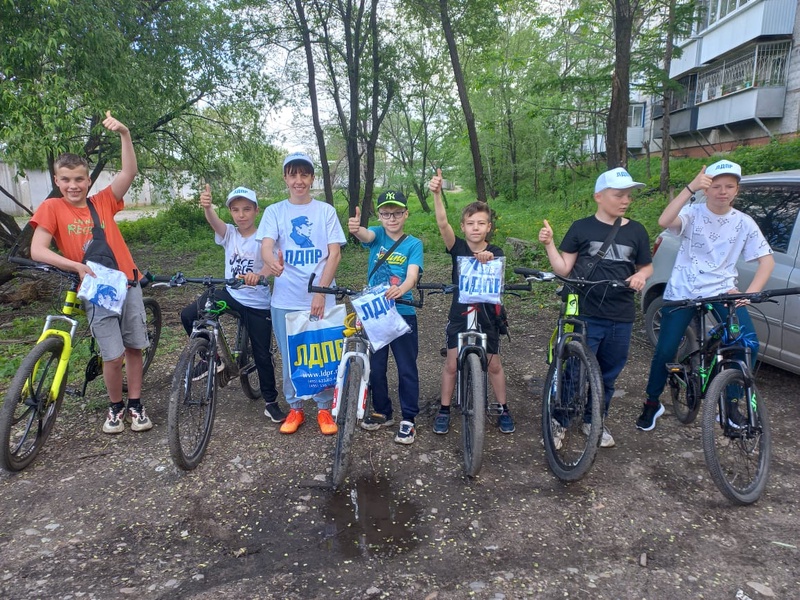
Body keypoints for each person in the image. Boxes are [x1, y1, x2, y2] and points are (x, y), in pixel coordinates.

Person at [30, 111, 153, 434]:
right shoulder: (52, 208)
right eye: (66, 180)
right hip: (96, 288)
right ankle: (115, 408)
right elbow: (38, 249)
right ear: (57, 181)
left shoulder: (103, 202)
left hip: (127, 281)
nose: (74, 185)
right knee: (111, 355)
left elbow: (129, 171)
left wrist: (125, 133)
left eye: (79, 179)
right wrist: (75, 266)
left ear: (88, 180)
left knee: (134, 346)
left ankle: (136, 404)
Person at [636, 161, 775, 431]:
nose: (722, 192)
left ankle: (729, 406)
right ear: (707, 189)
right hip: (683, 290)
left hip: (722, 290)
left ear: (737, 190)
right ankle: (652, 402)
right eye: (716, 186)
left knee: (747, 343)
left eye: (729, 186)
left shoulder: (744, 222)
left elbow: (766, 261)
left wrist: (749, 293)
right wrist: (690, 188)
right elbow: (664, 221)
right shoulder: (692, 212)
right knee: (666, 349)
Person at [539, 168, 653, 448]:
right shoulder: (581, 228)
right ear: (599, 197)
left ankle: (595, 420)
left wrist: (641, 276)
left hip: (621, 314)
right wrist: (549, 244)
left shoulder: (637, 231)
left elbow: (646, 265)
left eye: (628, 195)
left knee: (608, 374)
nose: (625, 200)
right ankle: (560, 421)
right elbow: (564, 268)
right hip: (585, 312)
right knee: (574, 370)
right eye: (618, 195)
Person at [256, 152, 347, 435]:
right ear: (285, 178)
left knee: (323, 353)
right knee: (290, 355)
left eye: (304, 175)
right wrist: (270, 260)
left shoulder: (325, 211)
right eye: (293, 175)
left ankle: (323, 409)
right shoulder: (275, 212)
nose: (299, 181)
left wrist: (320, 291)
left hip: (320, 296)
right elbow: (266, 244)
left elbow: (334, 254)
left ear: (312, 178)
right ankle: (295, 409)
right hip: (285, 299)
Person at [179, 184, 284, 423]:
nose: (241, 214)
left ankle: (271, 401)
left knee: (262, 354)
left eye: (247, 209)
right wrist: (207, 207)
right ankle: (211, 358)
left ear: (256, 211)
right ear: (230, 212)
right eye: (235, 210)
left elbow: (272, 261)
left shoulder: (264, 237)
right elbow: (215, 222)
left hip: (257, 301)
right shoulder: (229, 233)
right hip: (231, 294)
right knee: (189, 315)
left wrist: (261, 275)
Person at [428, 169, 515, 434]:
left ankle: (502, 407)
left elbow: (495, 265)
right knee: (452, 364)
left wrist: (488, 257)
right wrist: (436, 194)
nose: (475, 227)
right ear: (463, 227)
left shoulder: (495, 251)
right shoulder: (458, 248)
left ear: (489, 226)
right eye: (470, 223)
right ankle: (444, 409)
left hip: (488, 315)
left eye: (481, 223)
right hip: (460, 313)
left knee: (494, 364)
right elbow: (443, 224)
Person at [348, 191, 424, 444]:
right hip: (375, 313)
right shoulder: (377, 235)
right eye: (386, 213)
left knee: (406, 368)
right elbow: (365, 235)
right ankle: (383, 411)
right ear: (379, 216)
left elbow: (412, 274)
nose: (392, 218)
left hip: (402, 312)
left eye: (397, 213)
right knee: (376, 367)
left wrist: (403, 288)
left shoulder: (413, 244)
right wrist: (356, 228)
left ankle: (409, 419)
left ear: (406, 214)